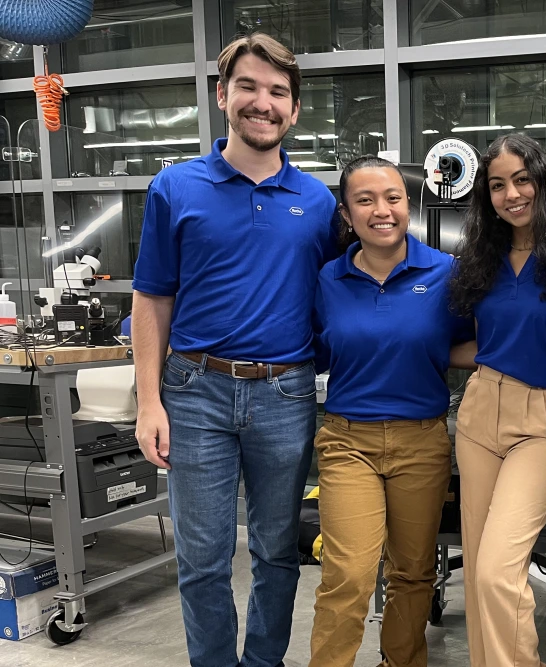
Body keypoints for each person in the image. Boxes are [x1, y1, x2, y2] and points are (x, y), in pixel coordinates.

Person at [132, 33, 338, 667]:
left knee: (277, 552)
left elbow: (338, 298)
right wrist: (149, 403)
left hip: (286, 394)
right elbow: (151, 300)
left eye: (278, 92)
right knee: (202, 558)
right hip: (194, 392)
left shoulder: (321, 202)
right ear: (223, 96)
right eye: (248, 87)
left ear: (294, 109)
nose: (263, 102)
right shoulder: (175, 188)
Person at [307, 157, 476, 667]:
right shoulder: (326, 281)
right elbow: (313, 348)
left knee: (413, 573)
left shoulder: (447, 273)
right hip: (346, 441)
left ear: (408, 205)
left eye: (394, 198)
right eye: (366, 200)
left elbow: (469, 344)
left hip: (422, 441)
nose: (383, 210)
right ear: (347, 214)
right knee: (349, 575)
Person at [449, 133, 546, 667]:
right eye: (497, 185)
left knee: (497, 568)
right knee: (478, 569)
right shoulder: (477, 259)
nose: (511, 194)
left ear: (542, 183)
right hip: (479, 411)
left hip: (543, 419)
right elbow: (457, 338)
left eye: (521, 180)